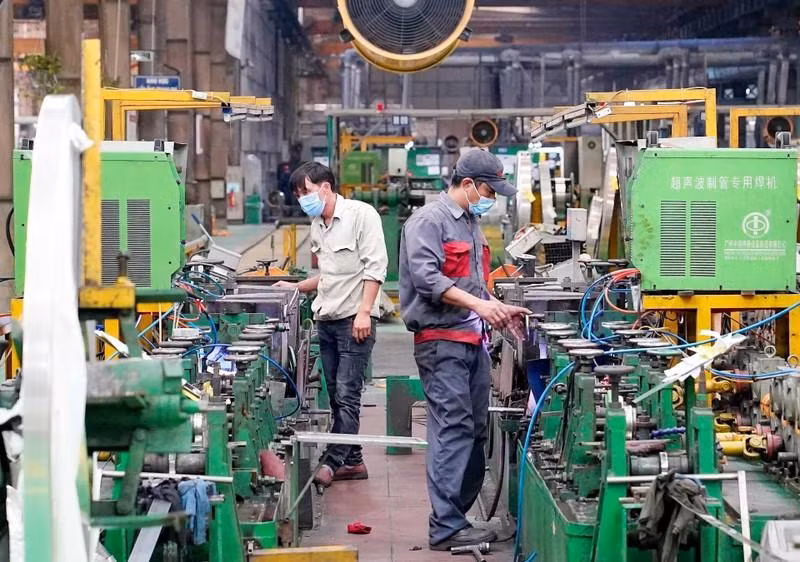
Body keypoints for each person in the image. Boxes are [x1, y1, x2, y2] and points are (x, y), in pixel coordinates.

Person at [398, 148, 531, 551]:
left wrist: (496, 305)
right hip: (442, 344)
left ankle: (457, 515)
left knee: (473, 431)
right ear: (468, 184)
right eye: (489, 190)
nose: (492, 198)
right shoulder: (427, 222)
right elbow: (428, 280)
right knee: (452, 429)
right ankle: (445, 528)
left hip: (472, 341)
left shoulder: (470, 222)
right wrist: (480, 306)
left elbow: (472, 283)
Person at [275, 161, 388, 487]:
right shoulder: (317, 225)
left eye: (306, 191)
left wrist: (365, 312)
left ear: (326, 187)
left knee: (348, 394)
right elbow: (329, 275)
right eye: (298, 195)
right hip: (327, 318)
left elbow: (376, 268)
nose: (302, 199)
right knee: (337, 395)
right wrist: (295, 287)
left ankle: (331, 461)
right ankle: (353, 461)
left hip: (355, 320)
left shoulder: (361, 215)